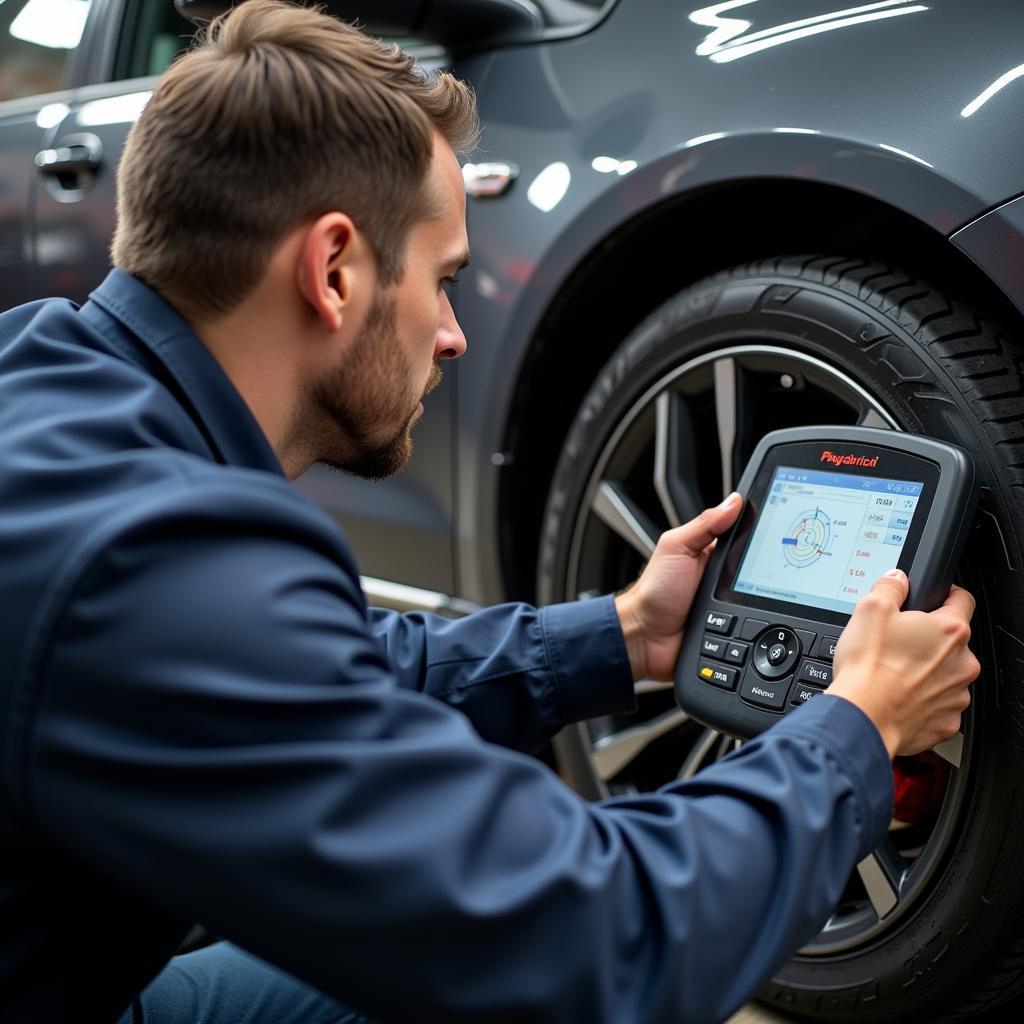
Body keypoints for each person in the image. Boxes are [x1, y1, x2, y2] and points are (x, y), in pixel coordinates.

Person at [0, 3, 979, 1023]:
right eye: (445, 280)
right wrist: (855, 733)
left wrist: (620, 636)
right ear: (334, 270)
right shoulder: (152, 555)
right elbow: (595, 942)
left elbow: (319, 685)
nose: (456, 334)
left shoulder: (47, 390)